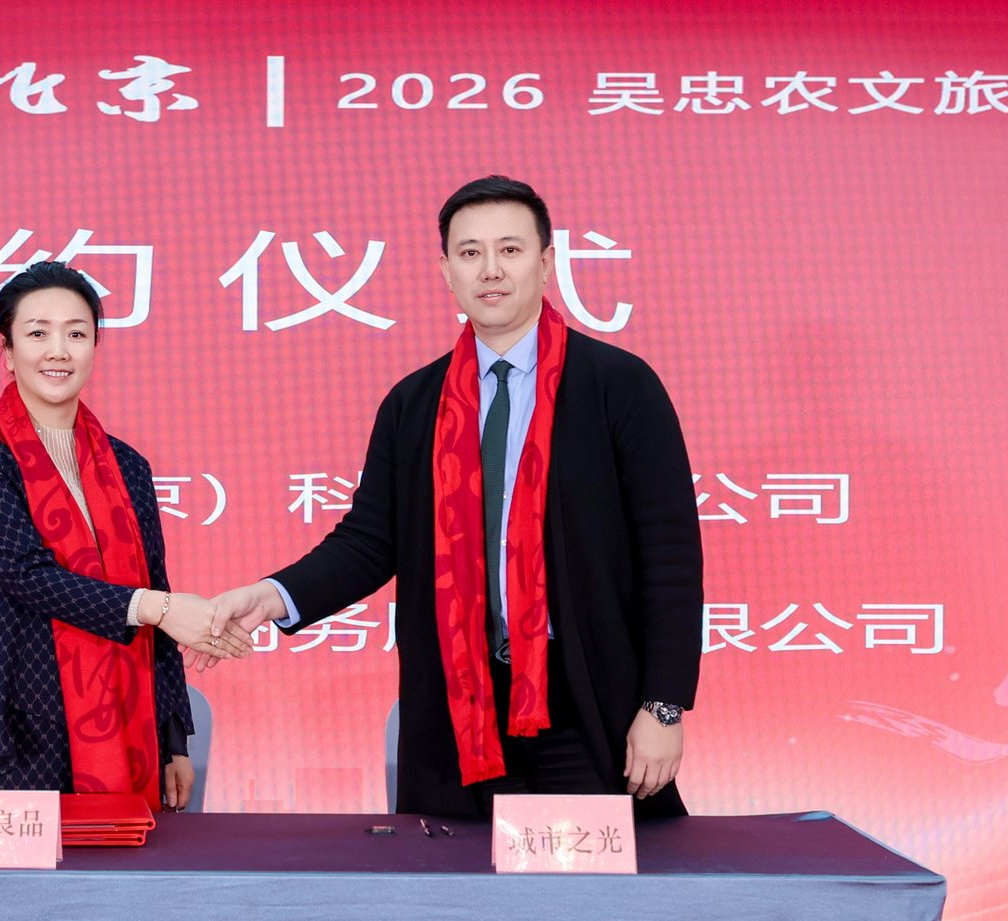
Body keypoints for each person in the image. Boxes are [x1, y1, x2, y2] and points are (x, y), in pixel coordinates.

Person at [208, 177, 702, 818]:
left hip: (587, 703)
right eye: (470, 253)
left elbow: (669, 556)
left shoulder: (619, 386)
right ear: (446, 271)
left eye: (510, 250)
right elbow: (369, 542)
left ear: (547, 262)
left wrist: (663, 705)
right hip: (459, 708)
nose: (490, 270)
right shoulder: (415, 403)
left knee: (598, 878)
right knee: (455, 879)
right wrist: (271, 595)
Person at [0, 260, 251, 810]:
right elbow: (28, 577)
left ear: (94, 348)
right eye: (38, 334)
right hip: (15, 727)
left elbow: (156, 586)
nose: (58, 351)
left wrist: (174, 739)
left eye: (76, 334)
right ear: (8, 352)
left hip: (128, 719)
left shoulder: (129, 466)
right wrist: (157, 608)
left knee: (130, 866)